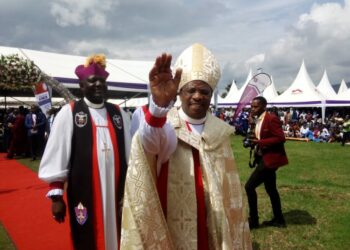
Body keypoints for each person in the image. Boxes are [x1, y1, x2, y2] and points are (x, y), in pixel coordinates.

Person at [121, 44, 251, 249]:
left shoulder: (220, 132)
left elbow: (229, 188)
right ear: (180, 93)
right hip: (173, 220)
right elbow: (149, 144)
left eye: (204, 91)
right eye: (191, 89)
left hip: (212, 221)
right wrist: (158, 109)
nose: (198, 96)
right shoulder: (166, 125)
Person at [38, 54, 131, 250]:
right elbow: (58, 154)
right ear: (81, 86)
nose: (98, 85)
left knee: (121, 233)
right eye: (92, 81)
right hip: (84, 190)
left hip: (117, 190)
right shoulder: (70, 113)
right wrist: (56, 197)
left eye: (102, 81)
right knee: (88, 235)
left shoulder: (119, 114)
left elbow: (131, 155)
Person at [245, 96, 288, 229]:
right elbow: (257, 136)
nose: (252, 109)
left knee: (249, 186)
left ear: (264, 106)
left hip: (270, 160)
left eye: (255, 106)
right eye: (252, 106)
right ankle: (279, 219)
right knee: (271, 189)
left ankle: (254, 221)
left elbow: (281, 138)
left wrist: (260, 142)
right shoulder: (257, 119)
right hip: (262, 158)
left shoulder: (271, 118)